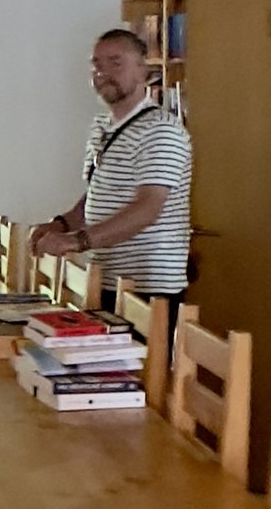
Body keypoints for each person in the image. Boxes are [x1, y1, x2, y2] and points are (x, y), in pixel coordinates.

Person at [34, 27, 193, 306]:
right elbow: (97, 195)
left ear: (144, 70)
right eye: (96, 64)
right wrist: (60, 224)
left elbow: (147, 208)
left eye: (115, 63)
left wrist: (76, 241)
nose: (103, 72)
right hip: (105, 279)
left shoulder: (161, 130)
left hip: (148, 289)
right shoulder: (102, 126)